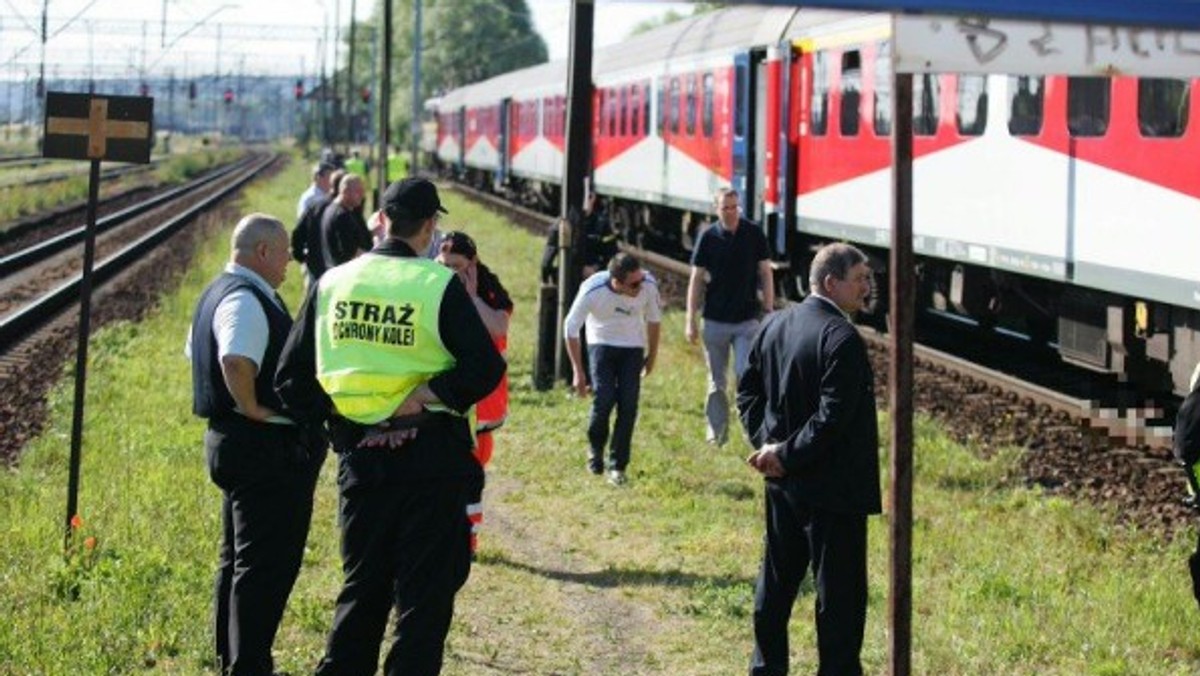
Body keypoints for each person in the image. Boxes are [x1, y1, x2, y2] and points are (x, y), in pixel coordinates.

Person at [275, 177, 505, 676]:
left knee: (362, 591)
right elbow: (486, 368)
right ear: (429, 227)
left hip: (362, 460)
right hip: (431, 461)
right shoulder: (436, 284)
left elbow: (290, 382)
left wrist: (346, 419)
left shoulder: (332, 283)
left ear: (381, 220)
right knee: (422, 603)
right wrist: (424, 394)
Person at [186, 214, 325, 676]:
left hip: (234, 444)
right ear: (262, 252)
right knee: (264, 568)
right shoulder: (244, 301)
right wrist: (251, 406)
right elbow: (234, 357)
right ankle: (249, 666)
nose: (291, 259)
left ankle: (235, 660)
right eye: (285, 251)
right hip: (261, 448)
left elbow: (195, 351)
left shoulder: (217, 292)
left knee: (238, 561)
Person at [736, 242, 880, 676]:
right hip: (834, 490)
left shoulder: (774, 324)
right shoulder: (842, 338)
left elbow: (748, 392)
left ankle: (767, 668)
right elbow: (832, 417)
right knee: (838, 597)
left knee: (776, 584)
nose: (867, 287)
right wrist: (782, 452)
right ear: (831, 283)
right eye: (859, 279)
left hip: (784, 486)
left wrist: (771, 448)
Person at [435, 230, 513, 553]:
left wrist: (469, 297)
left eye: (456, 266)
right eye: (443, 264)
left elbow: (499, 326)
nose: (448, 272)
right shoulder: (433, 283)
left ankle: (469, 538)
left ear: (472, 263)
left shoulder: (490, 291)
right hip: (448, 397)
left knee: (473, 472)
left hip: (481, 402)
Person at [686, 187, 774, 447]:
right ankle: (717, 434)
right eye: (726, 207)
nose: (732, 212)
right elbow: (696, 279)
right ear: (716, 210)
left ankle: (751, 433)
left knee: (745, 376)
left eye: (735, 207)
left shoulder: (753, 233)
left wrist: (768, 311)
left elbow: (766, 273)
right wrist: (690, 318)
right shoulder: (708, 237)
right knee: (717, 382)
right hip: (714, 321)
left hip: (747, 321)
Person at [564, 252, 661, 485]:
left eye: (640, 278)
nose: (640, 285)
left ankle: (618, 465)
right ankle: (595, 450)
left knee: (628, 405)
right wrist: (578, 371)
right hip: (601, 345)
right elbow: (570, 328)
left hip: (632, 347)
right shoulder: (593, 290)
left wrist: (652, 356)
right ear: (617, 282)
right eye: (634, 283)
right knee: (604, 399)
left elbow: (654, 321)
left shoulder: (648, 285)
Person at [316, 173, 372, 278]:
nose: (362, 195)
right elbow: (351, 252)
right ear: (345, 191)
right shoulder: (342, 216)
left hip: (332, 273)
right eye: (358, 191)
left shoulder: (331, 209)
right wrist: (376, 257)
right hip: (344, 277)